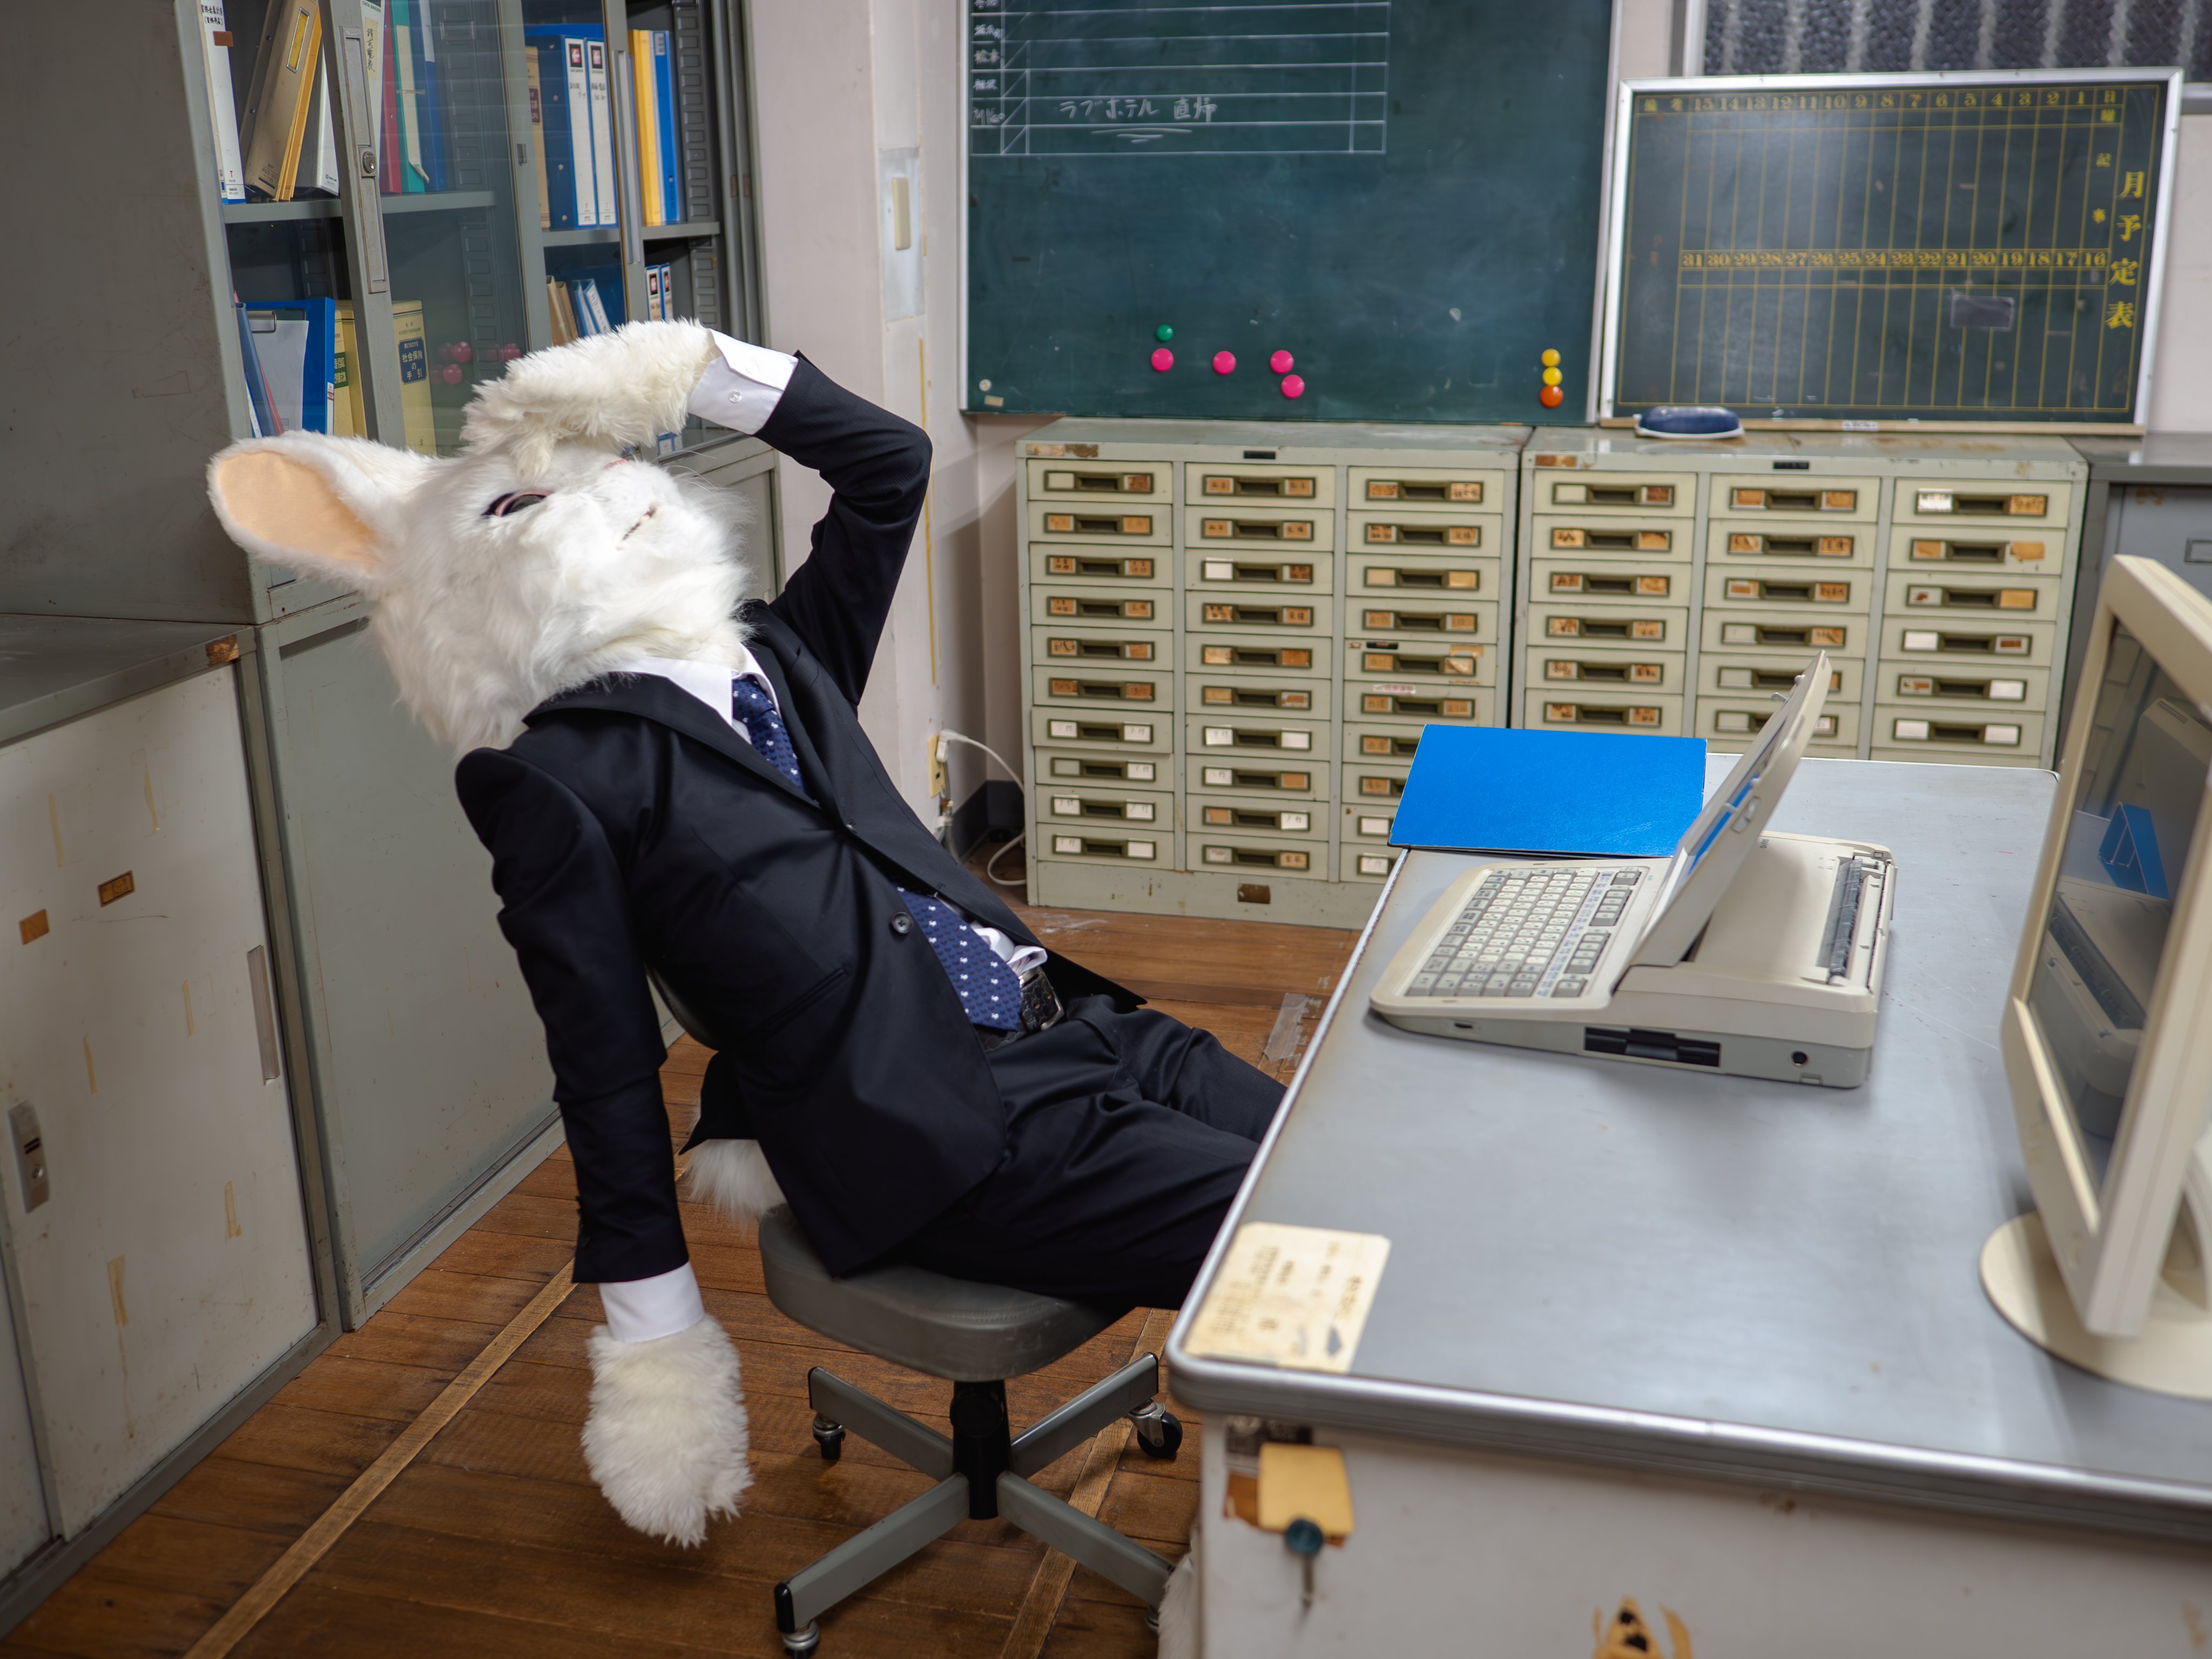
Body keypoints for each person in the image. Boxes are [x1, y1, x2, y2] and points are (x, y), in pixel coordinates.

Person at [206, 322, 1282, 1545]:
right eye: (519, 503)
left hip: (1080, 1027)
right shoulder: (558, 778)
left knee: (1357, 1169)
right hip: (945, 1132)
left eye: (604, 464)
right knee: (1316, 1252)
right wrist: (654, 1336)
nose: (600, 490)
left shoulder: (776, 653)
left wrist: (680, 366)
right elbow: (603, 1065)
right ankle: (1282, 1578)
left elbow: (888, 465)